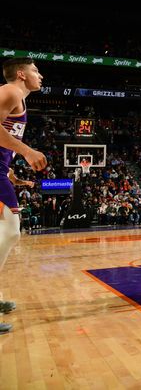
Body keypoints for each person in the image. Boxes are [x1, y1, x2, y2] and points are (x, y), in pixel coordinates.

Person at [0, 58, 47, 334]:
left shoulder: (18, 100)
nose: (40, 75)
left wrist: (11, 176)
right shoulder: (10, 91)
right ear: (21, 74)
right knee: (10, 232)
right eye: (35, 70)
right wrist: (28, 151)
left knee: (6, 232)